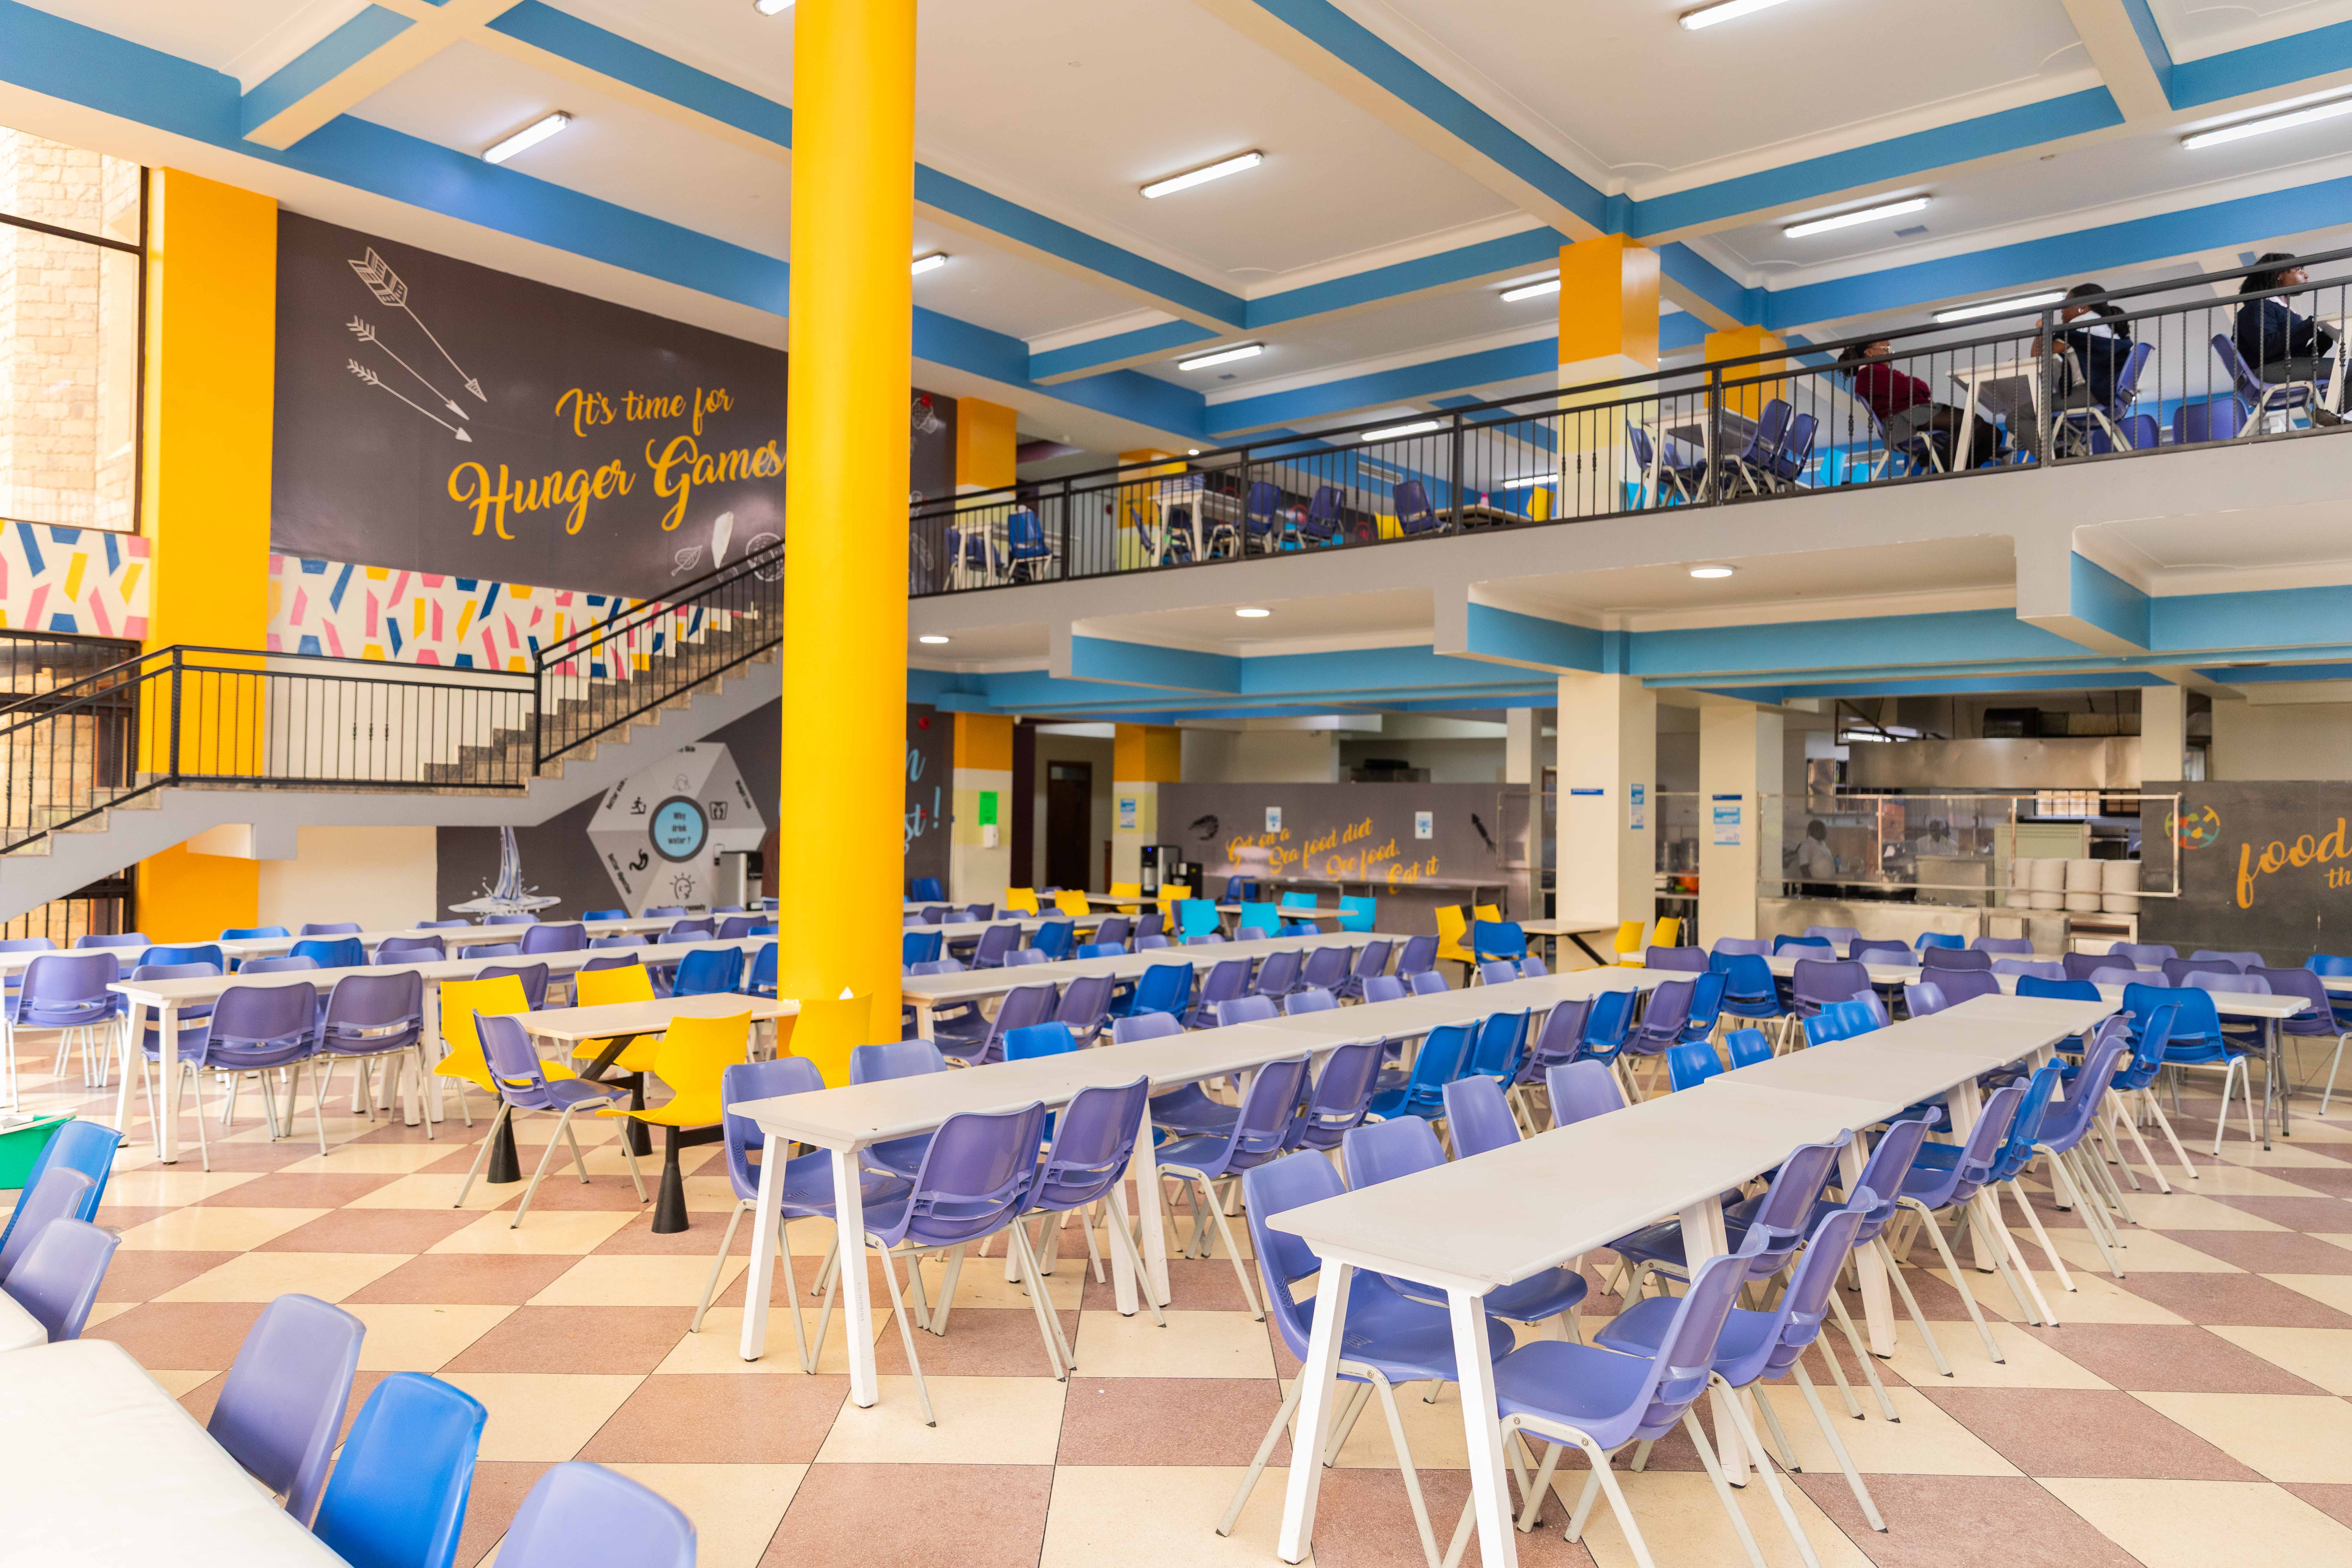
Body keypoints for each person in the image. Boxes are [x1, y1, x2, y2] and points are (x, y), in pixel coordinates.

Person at [1838, 340, 2003, 469]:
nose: (1890, 353)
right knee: (1973, 423)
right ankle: (1948, 472)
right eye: (1886, 349)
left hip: (1918, 413)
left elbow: (1916, 388)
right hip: (1905, 420)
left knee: (1994, 433)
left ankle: (1962, 468)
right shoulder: (1868, 374)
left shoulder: (1881, 372)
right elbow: (1912, 388)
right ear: (1870, 353)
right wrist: (1915, 386)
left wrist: (1915, 387)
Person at [2233, 253, 2339, 394]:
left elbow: (2295, 356)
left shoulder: (2286, 312)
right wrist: (2311, 324)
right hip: (2268, 371)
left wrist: (2322, 341)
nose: (2306, 275)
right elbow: (2268, 347)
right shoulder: (2258, 307)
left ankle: (2337, 416)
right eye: (2299, 270)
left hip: (2284, 367)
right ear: (2279, 274)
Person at [2043, 281, 2136, 413]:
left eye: (2067, 304)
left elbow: (2040, 353)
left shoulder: (2082, 322)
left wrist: (2042, 328)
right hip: (2108, 393)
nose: (2062, 309)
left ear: (2083, 307)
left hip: (2091, 392)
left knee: (2024, 414)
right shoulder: (2105, 325)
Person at [1794, 818, 1838, 898]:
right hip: (1816, 888)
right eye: (1821, 830)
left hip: (1828, 886)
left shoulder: (1822, 845)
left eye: (1825, 830)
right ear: (1812, 831)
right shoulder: (1806, 846)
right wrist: (1813, 886)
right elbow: (1804, 868)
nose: (1824, 833)